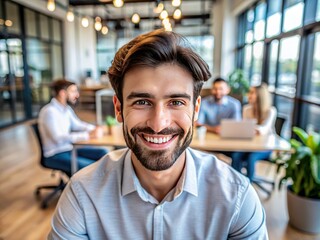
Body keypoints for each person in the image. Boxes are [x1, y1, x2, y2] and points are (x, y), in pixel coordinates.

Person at [48, 30, 268, 239]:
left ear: (196, 109)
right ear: (118, 108)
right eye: (142, 102)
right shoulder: (82, 195)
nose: (158, 124)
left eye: (176, 102)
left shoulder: (237, 198)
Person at [38, 79, 107, 175]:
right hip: (55, 155)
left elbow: (78, 124)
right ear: (62, 93)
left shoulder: (66, 109)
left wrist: (94, 129)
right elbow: (58, 138)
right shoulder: (50, 111)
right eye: (73, 91)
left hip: (69, 149)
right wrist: (88, 135)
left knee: (104, 153)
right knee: (92, 167)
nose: (77, 95)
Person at [231, 83, 277, 181]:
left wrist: (250, 128)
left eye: (252, 93)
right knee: (236, 156)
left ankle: (248, 186)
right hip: (249, 145)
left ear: (260, 96)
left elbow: (263, 130)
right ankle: (236, 182)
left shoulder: (271, 111)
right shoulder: (247, 109)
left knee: (251, 158)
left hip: (265, 147)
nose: (248, 95)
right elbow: (245, 129)